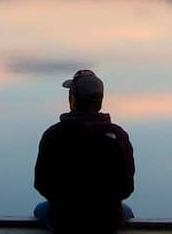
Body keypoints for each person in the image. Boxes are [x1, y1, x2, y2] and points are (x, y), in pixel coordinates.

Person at [33, 69, 136, 233]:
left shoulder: (53, 136)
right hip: (106, 221)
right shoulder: (118, 137)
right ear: (100, 102)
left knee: (40, 209)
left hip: (65, 220)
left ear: (72, 100)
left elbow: (41, 184)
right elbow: (126, 188)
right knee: (127, 211)